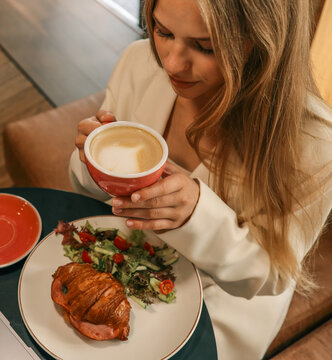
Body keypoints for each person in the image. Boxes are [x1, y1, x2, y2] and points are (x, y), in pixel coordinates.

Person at [69, 0, 332, 358]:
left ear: (263, 40)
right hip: (121, 255)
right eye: (162, 31)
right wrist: (92, 162)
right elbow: (87, 190)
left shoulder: (314, 143)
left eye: (205, 46)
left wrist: (197, 216)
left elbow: (273, 274)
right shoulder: (138, 62)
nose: (172, 63)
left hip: (223, 297)